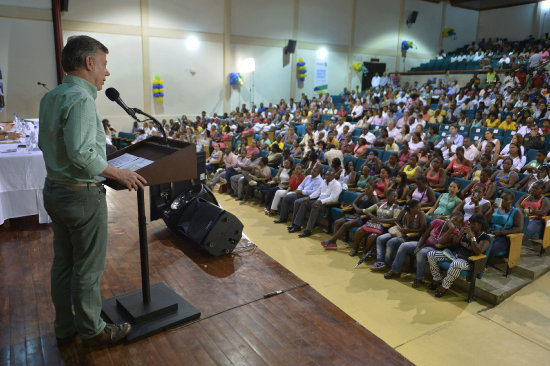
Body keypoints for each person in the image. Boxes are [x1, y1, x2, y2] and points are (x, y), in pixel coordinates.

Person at [39, 35, 146, 347]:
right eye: (104, 64)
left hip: (55, 190)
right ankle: (93, 331)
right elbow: (82, 155)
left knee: (63, 263)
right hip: (81, 195)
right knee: (87, 268)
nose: (106, 73)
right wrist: (118, 172)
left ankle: (65, 325)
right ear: (89, 63)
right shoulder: (82, 99)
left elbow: (47, 144)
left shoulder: (52, 97)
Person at [385, 213, 463, 287]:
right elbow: (425, 234)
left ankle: (419, 278)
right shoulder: (437, 222)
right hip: (424, 243)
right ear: (450, 218)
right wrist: (419, 246)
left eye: (458, 222)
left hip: (435, 248)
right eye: (454, 219)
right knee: (404, 245)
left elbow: (441, 242)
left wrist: (451, 229)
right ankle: (395, 270)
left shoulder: (455, 231)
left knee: (421, 253)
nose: (455, 222)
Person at [427, 213, 491, 297]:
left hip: (468, 261)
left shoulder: (485, 237)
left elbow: (478, 252)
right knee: (431, 254)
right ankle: (437, 279)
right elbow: (454, 242)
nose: (471, 226)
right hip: (455, 255)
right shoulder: (466, 232)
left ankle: (444, 286)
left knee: (456, 264)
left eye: (473, 224)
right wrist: (460, 234)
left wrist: (472, 237)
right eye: (470, 223)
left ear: (480, 225)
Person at [322, 183, 379, 250]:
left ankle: (331, 241)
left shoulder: (374, 198)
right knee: (337, 222)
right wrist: (357, 209)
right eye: (366, 187)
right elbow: (353, 203)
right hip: (355, 215)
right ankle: (333, 242)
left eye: (368, 188)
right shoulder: (363, 194)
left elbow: (375, 211)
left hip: (364, 218)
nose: (366, 189)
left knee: (346, 225)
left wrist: (361, 211)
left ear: (373, 189)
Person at [288, 171, 342, 238]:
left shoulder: (337, 184)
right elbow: (317, 192)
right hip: (318, 201)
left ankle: (308, 230)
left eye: (330, 175)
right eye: (326, 175)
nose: (327, 176)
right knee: (304, 202)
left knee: (315, 206)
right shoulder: (324, 182)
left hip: (327, 204)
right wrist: (309, 197)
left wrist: (320, 202)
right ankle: (297, 225)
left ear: (333, 176)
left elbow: (333, 198)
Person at [350, 190, 402, 257]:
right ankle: (355, 249)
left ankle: (365, 252)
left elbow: (395, 220)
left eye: (396, 197)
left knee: (373, 236)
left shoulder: (396, 207)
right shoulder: (381, 203)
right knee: (360, 230)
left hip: (384, 227)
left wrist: (379, 220)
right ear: (388, 196)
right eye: (393, 196)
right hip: (374, 224)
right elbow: (367, 210)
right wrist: (372, 216)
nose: (395, 198)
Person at [487, 191, 524, 266]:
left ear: (511, 201)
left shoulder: (516, 212)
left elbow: (519, 228)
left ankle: (484, 266)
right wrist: (491, 209)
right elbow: (485, 220)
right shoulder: (496, 208)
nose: (502, 201)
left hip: (504, 237)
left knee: (491, 249)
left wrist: (501, 232)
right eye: (501, 198)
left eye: (506, 199)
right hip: (490, 232)